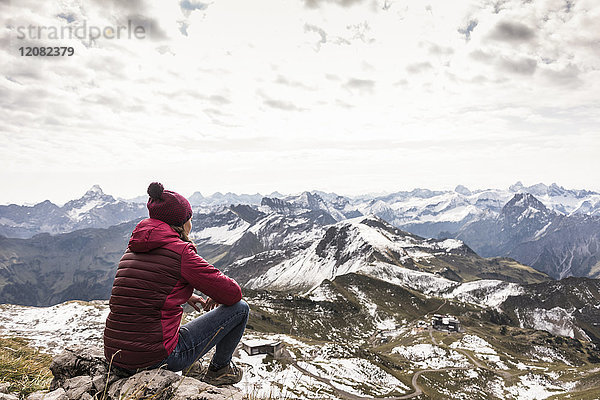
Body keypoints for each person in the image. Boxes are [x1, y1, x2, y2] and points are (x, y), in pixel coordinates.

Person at [103, 182, 249, 386]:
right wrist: (218, 293)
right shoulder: (180, 252)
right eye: (190, 219)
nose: (191, 224)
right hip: (155, 358)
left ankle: (193, 367)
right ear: (182, 222)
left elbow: (143, 287)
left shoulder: (133, 249)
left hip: (115, 356)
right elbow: (233, 294)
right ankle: (220, 369)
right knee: (240, 309)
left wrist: (186, 295)